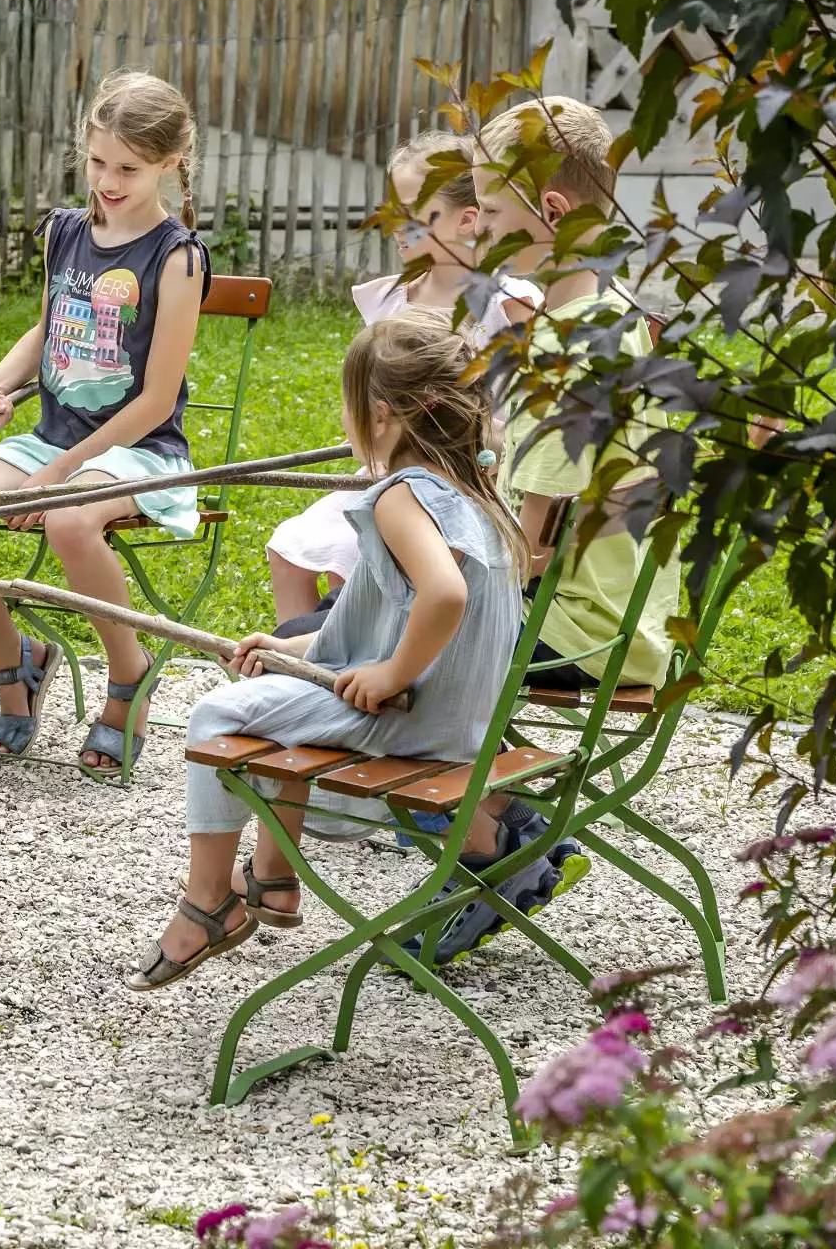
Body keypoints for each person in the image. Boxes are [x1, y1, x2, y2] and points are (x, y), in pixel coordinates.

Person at [143, 312, 545, 986]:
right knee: (271, 706)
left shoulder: (401, 496)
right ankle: (272, 880)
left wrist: (390, 672)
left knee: (216, 717)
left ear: (381, 417)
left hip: (413, 717)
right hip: (460, 716)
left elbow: (444, 596)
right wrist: (290, 644)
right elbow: (392, 610)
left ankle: (208, 901)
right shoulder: (474, 492)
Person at [0, 72, 207, 769]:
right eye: (97, 161)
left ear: (169, 161)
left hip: (139, 451)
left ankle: (129, 673)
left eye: (127, 168)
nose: (107, 179)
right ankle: (17, 660)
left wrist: (59, 476)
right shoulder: (68, 232)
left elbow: (157, 400)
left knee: (71, 518)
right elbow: (46, 332)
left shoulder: (177, 257)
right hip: (53, 439)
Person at [264, 131, 541, 633]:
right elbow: (369, 400)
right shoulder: (390, 302)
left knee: (357, 551)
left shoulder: (507, 307)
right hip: (386, 478)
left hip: (469, 489)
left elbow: (520, 421)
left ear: (468, 219)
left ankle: (362, 655)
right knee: (293, 546)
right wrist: (374, 444)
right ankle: (311, 677)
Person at [473, 95, 669, 694]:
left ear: (553, 213)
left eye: (487, 209)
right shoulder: (610, 317)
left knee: (363, 631)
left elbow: (533, 551)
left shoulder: (572, 355)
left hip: (571, 627)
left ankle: (487, 788)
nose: (476, 226)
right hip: (609, 617)